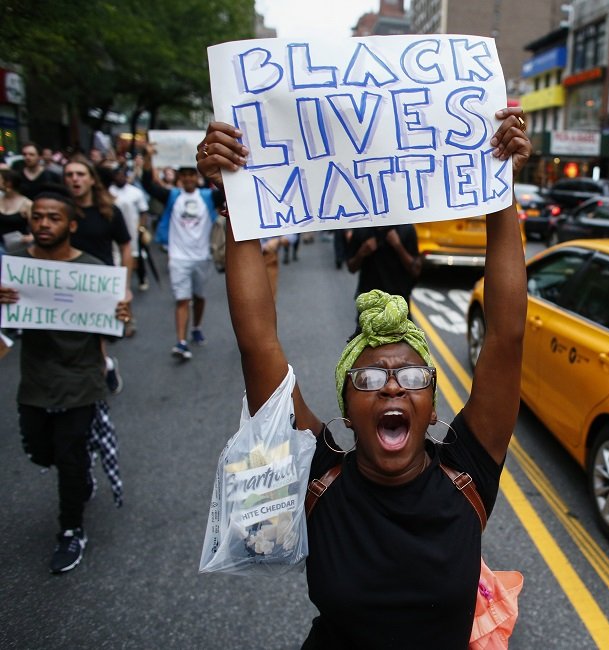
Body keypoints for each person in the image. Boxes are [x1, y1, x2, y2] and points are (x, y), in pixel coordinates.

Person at [196, 106, 530, 648]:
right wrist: (239, 200)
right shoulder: (318, 476)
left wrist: (500, 184)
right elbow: (258, 340)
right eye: (371, 379)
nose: (393, 385)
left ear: (435, 408)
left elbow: (506, 335)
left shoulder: (467, 472)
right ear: (346, 412)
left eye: (412, 376)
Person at [0, 186, 132, 573]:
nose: (43, 224)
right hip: (36, 381)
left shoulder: (93, 271)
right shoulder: (16, 266)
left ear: (72, 224)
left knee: (70, 459)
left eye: (53, 217)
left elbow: (114, 331)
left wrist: (121, 315)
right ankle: (75, 474)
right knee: (41, 451)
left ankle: (72, 530)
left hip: (81, 380)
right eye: (37, 216)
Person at [141, 151, 221, 360]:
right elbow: (148, 185)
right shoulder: (172, 196)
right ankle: (181, 342)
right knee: (182, 300)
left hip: (202, 257)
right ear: (179, 178)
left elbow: (227, 190)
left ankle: (196, 326)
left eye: (191, 174)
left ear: (197, 177)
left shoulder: (207, 197)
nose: (188, 178)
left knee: (199, 297)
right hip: (178, 258)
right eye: (184, 174)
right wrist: (148, 158)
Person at [64, 158, 132, 394]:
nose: (75, 179)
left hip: (99, 284)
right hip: (65, 285)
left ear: (92, 180)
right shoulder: (59, 212)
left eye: (80, 174)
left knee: (95, 338)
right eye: (70, 174)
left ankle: (102, 371)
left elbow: (125, 246)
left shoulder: (108, 211)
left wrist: (125, 284)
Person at [346, 224, 421, 323]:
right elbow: (351, 267)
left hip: (399, 303)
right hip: (370, 303)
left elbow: (415, 270)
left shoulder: (406, 229)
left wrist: (398, 246)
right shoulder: (362, 229)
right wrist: (362, 252)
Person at [108, 165, 151, 292]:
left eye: (123, 175)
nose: (120, 177)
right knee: (116, 256)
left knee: (137, 255)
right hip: (114, 231)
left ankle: (142, 278)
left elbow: (144, 211)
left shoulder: (135, 192)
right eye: (118, 175)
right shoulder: (108, 192)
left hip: (133, 229)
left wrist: (141, 227)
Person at [0, 169, 32, 254]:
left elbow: (35, 228)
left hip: (17, 247)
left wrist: (31, 237)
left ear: (8, 183)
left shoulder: (27, 204)